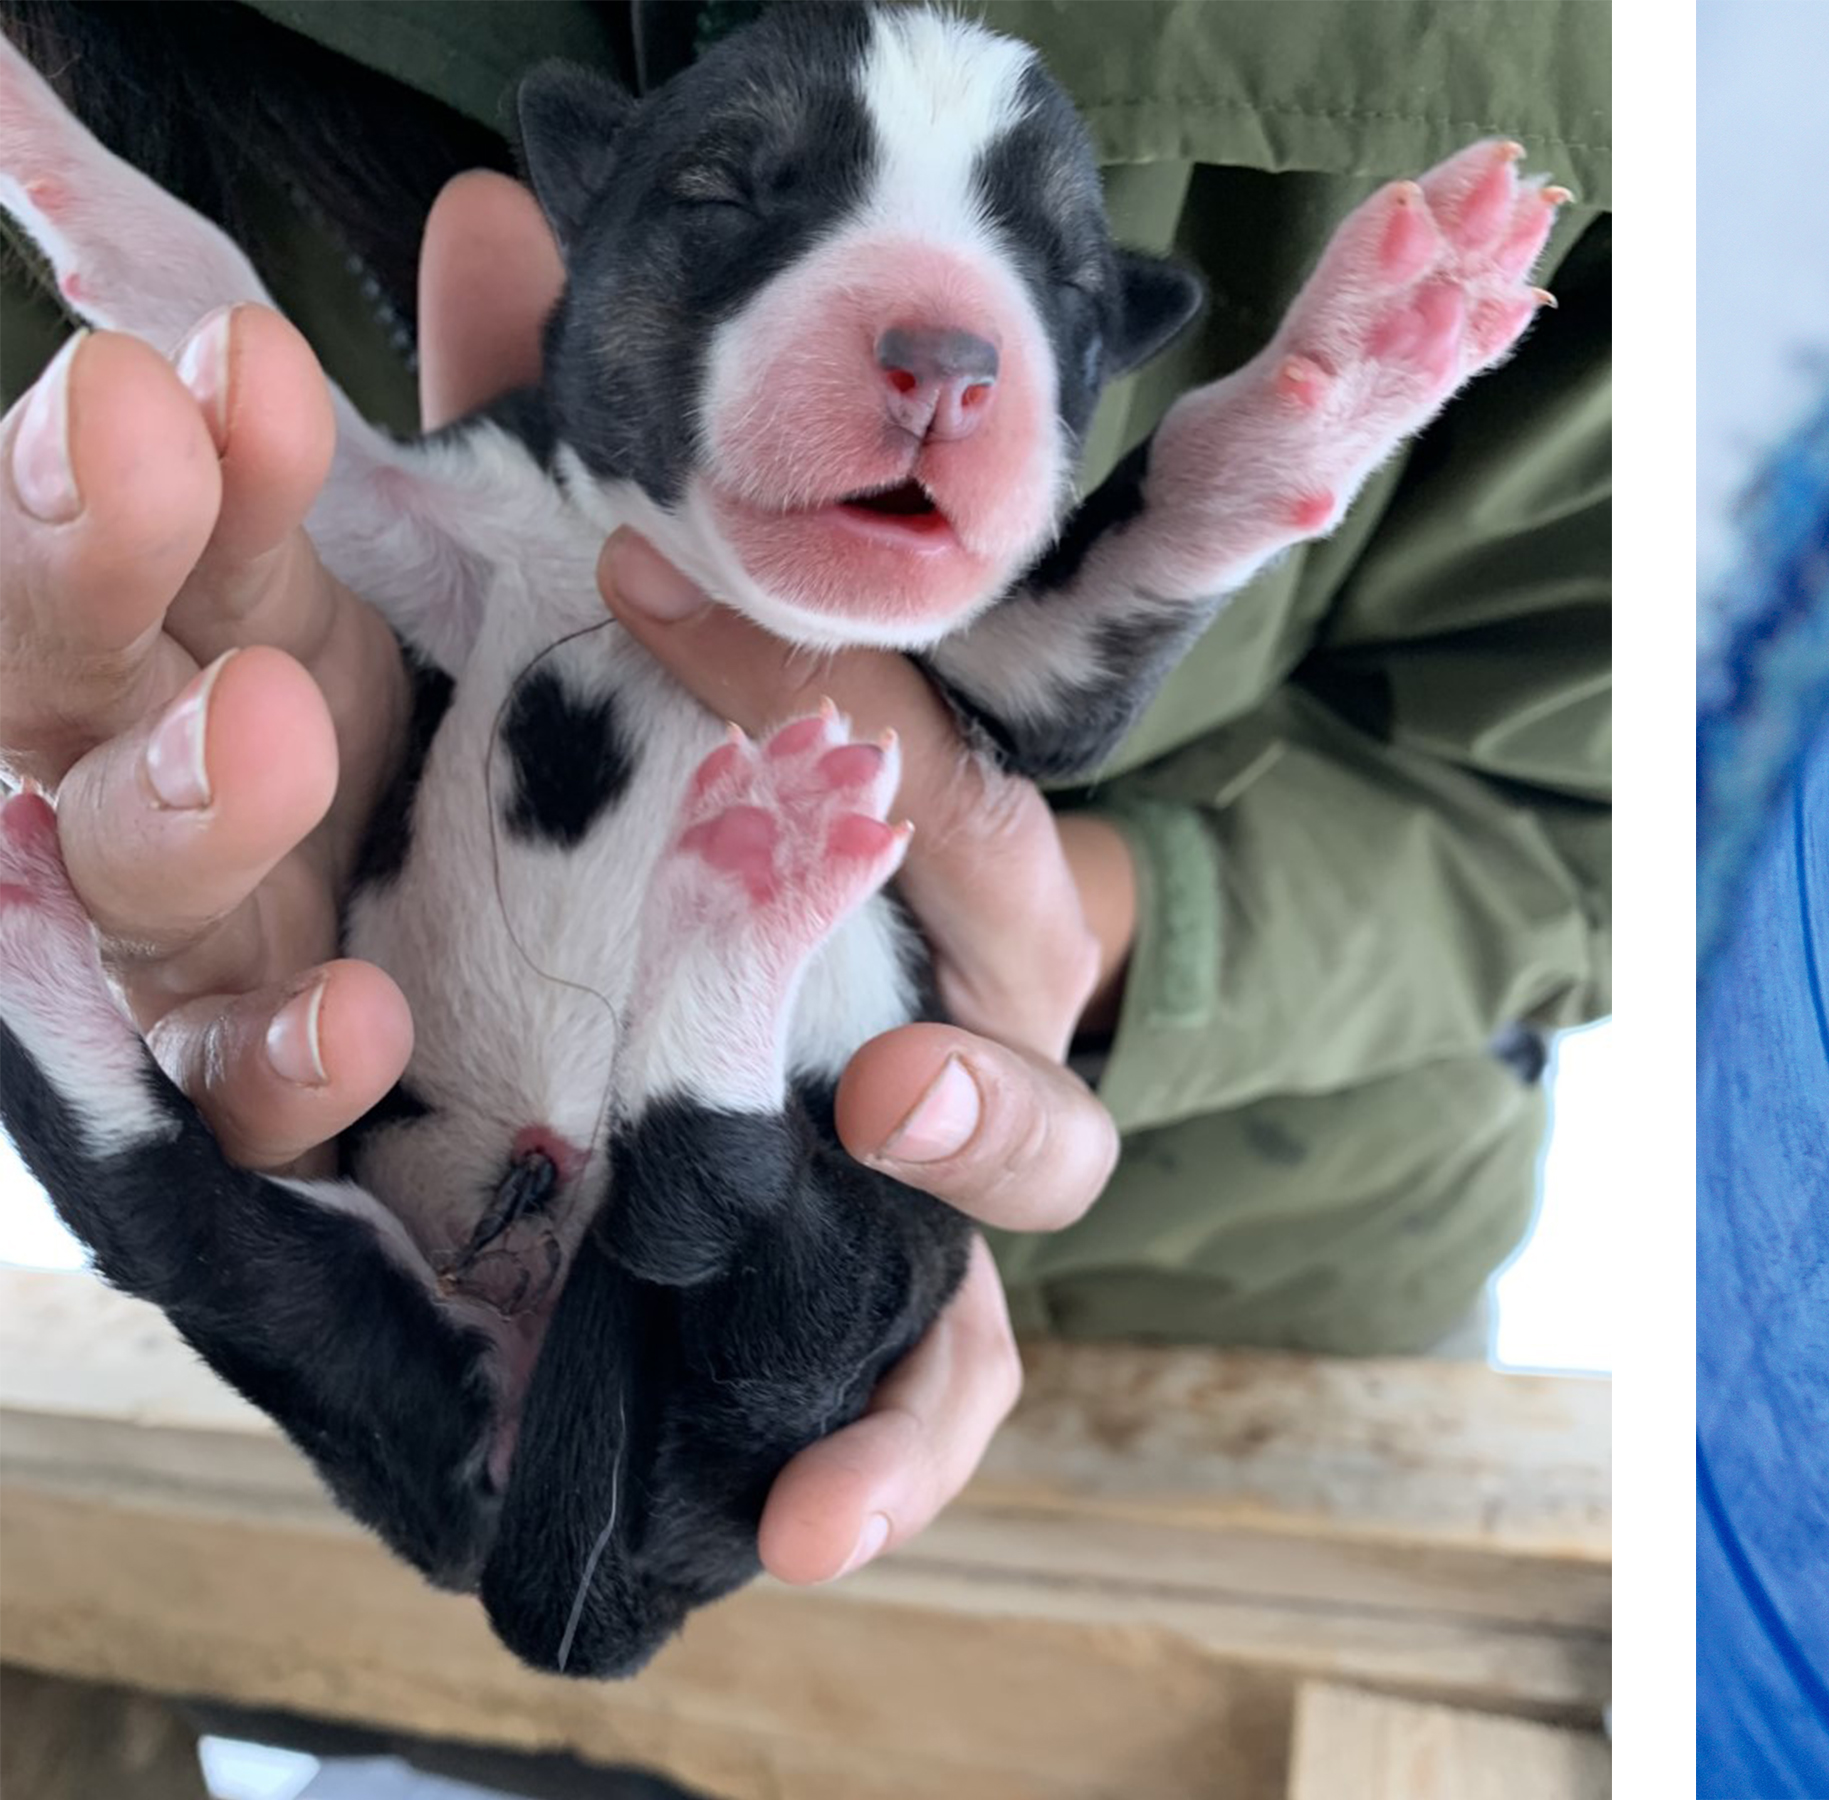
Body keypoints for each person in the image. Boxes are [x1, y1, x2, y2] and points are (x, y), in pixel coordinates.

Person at [0, 0, 1608, 1587]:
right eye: (727, 194)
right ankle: (716, 985)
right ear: (596, 214)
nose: (942, 357)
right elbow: (232, 371)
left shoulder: (969, 634)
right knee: (250, 1267)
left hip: (1266, 1323)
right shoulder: (504, 513)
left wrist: (1278, 432)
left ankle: (101, 1016)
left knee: (291, 1254)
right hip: (488, 1269)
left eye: (1045, 280)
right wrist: (46, 148)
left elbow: (1569, 808)